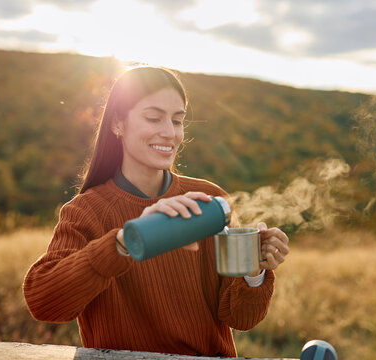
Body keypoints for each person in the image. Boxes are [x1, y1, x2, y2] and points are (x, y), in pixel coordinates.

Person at [23, 66, 290, 357]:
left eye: (177, 121)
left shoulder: (209, 199)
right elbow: (43, 302)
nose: (169, 132)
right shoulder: (86, 212)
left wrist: (254, 272)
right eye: (154, 118)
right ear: (117, 124)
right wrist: (125, 241)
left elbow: (241, 319)